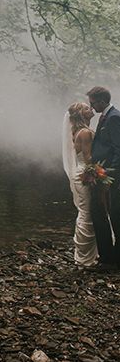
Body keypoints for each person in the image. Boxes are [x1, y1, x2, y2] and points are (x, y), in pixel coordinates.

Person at [87, 86, 120, 268]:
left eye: (92, 103)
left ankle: (112, 259)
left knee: (115, 215)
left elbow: (118, 148)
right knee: (102, 214)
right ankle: (108, 256)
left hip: (110, 176)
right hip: (101, 174)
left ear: (101, 101)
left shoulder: (114, 118)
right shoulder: (105, 116)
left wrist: (110, 172)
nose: (91, 107)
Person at [62, 102, 98, 267]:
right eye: (86, 108)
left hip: (83, 172)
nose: (90, 108)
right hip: (86, 174)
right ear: (80, 115)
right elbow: (89, 157)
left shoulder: (79, 131)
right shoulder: (85, 132)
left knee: (86, 211)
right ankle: (84, 257)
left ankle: (86, 255)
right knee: (87, 213)